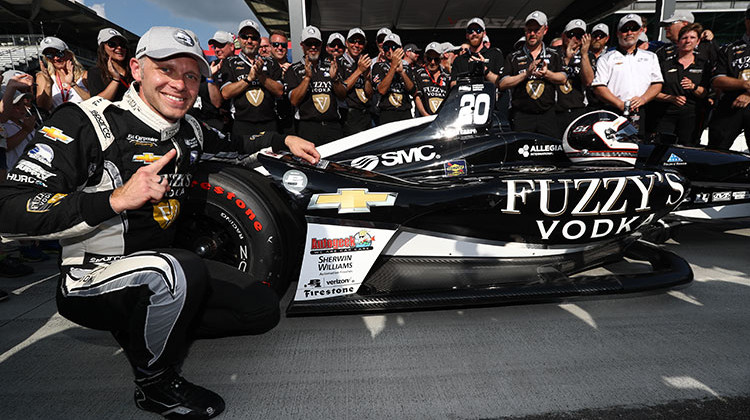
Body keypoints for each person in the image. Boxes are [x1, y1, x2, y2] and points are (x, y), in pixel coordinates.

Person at [0, 25, 319, 418]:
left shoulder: (189, 129)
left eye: (190, 75)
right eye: (166, 69)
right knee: (176, 268)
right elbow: (10, 208)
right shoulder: (85, 122)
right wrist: (114, 200)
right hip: (90, 278)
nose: (180, 84)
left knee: (261, 308)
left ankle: (145, 326)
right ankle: (156, 384)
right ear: (136, 69)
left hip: (160, 265)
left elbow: (236, 143)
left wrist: (283, 140)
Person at [498, 10, 566, 137]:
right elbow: (502, 83)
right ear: (525, 30)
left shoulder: (554, 54)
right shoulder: (513, 56)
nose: (532, 34)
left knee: (551, 153)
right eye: (529, 30)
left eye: (536, 30)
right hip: (521, 115)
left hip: (547, 115)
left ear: (545, 30)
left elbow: (563, 78)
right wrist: (526, 74)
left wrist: (547, 74)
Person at [591, 14, 662, 132]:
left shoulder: (651, 57)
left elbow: (657, 83)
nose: (629, 33)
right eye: (625, 29)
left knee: (640, 146)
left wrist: (643, 99)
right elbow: (599, 87)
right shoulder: (606, 58)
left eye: (633, 29)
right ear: (618, 33)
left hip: (643, 110)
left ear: (640, 31)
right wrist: (620, 104)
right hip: (613, 110)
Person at [220, 19, 284, 152]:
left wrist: (261, 76)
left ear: (259, 41)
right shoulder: (230, 62)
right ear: (239, 39)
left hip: (269, 123)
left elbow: (279, 91)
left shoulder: (271, 62)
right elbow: (225, 93)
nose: (249, 41)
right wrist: (249, 79)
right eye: (245, 37)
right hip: (242, 125)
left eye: (253, 38)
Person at [652, 23, 709, 146]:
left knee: (688, 149)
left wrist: (694, 87)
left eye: (692, 38)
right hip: (666, 115)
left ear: (698, 41)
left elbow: (706, 93)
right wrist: (671, 98)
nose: (688, 41)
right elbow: (652, 92)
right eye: (684, 38)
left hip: (692, 116)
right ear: (678, 42)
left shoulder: (704, 65)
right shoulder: (665, 65)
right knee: (661, 147)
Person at [286, 26, 345, 144]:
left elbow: (342, 96)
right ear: (302, 45)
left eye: (316, 43)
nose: (313, 47)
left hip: (333, 127)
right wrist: (307, 78)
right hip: (308, 128)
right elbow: (293, 100)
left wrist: (335, 80)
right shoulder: (293, 70)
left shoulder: (332, 66)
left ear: (321, 45)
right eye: (309, 43)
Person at [709, 5, 750, 150]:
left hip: (744, 100)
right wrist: (745, 85)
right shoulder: (729, 48)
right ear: (746, 20)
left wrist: (748, 95)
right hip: (730, 104)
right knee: (716, 151)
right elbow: (717, 80)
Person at [554, 19, 595, 137]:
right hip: (556, 110)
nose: (575, 39)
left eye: (579, 36)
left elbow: (589, 81)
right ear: (563, 36)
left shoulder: (588, 56)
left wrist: (584, 55)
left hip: (578, 110)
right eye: (571, 35)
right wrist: (566, 60)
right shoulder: (553, 53)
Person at [35, 36, 90, 112]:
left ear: (69, 54)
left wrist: (73, 84)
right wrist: (49, 84)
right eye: (50, 55)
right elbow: (43, 107)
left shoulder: (84, 75)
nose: (56, 58)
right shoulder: (43, 77)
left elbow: (93, 102)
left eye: (59, 54)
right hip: (59, 122)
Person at [372, 33, 415, 124]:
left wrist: (402, 73)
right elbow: (381, 90)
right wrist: (393, 67)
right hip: (387, 112)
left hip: (405, 112)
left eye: (394, 47)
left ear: (401, 49)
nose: (390, 51)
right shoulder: (378, 66)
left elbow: (412, 90)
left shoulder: (407, 67)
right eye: (387, 48)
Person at [337, 28, 373, 136]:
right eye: (353, 41)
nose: (356, 45)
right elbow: (341, 90)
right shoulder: (339, 62)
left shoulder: (363, 62)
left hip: (365, 114)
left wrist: (367, 77)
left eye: (360, 42)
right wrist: (359, 70)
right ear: (346, 43)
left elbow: (369, 94)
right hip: (348, 115)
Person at [87, 28, 132, 101]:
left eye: (122, 45)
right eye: (112, 44)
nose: (119, 47)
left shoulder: (134, 70)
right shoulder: (96, 72)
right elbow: (98, 102)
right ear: (103, 48)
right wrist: (116, 79)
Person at [414, 42, 449, 116]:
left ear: (441, 59)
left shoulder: (447, 75)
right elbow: (417, 97)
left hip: (442, 119)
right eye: (429, 59)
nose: (432, 62)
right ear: (425, 58)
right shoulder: (418, 73)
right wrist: (426, 116)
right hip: (424, 119)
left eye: (436, 59)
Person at [269, 31, 294, 134]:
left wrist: (290, 75)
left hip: (290, 121)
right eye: (275, 44)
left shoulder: (294, 69)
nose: (279, 48)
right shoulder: (262, 69)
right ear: (270, 46)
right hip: (269, 120)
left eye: (283, 45)